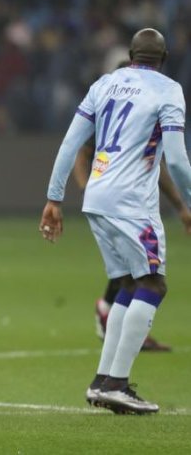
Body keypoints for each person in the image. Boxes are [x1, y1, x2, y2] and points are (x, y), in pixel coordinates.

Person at [40, 28, 191, 415]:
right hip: (133, 203)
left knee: (128, 283)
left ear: (130, 54)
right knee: (154, 283)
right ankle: (118, 384)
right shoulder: (169, 90)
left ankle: (103, 381)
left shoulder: (104, 84)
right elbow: (174, 159)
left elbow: (71, 143)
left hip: (98, 195)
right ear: (165, 58)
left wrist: (54, 198)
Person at [72, 61, 191, 351]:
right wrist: (87, 188)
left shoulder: (139, 117)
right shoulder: (112, 115)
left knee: (135, 272)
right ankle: (114, 348)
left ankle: (114, 337)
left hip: (127, 202)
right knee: (144, 277)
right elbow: (80, 152)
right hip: (122, 204)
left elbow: (159, 165)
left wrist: (180, 206)